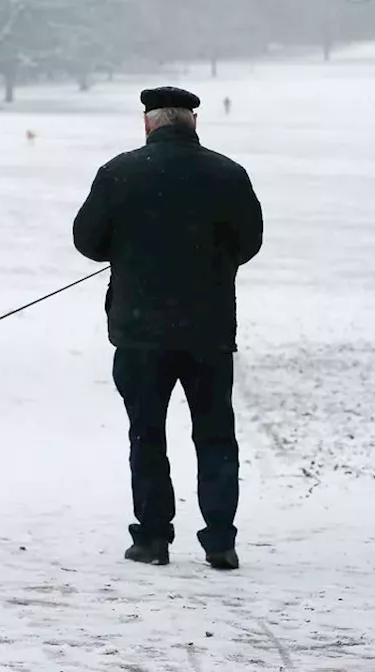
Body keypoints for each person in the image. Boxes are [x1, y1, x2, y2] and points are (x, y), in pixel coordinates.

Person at [72, 86, 264, 570]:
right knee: (216, 434)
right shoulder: (228, 174)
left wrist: (131, 248)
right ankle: (220, 539)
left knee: (146, 434)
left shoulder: (118, 173)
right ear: (192, 123)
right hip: (209, 329)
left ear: (148, 123)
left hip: (141, 331)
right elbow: (251, 241)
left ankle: (153, 538)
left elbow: (87, 241)